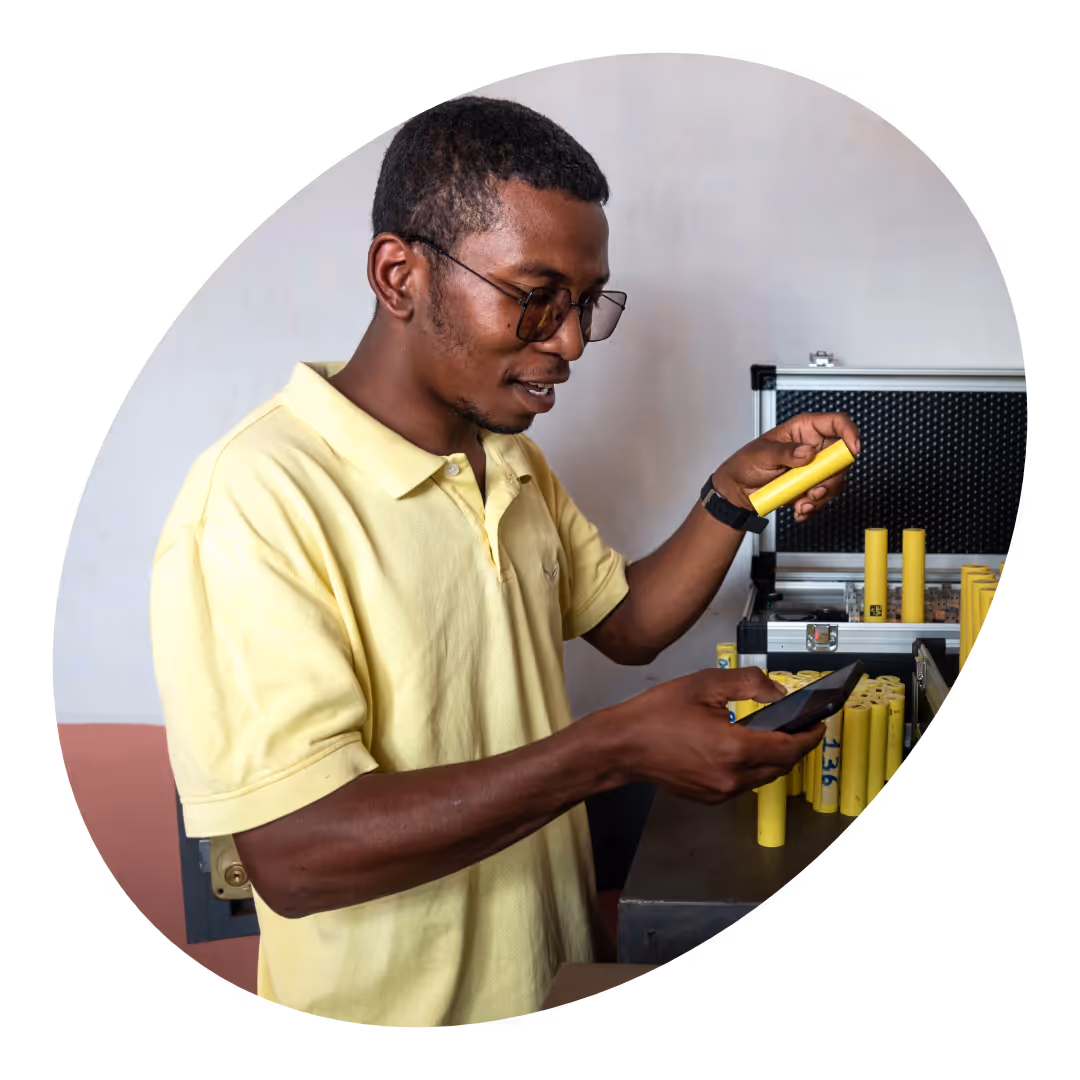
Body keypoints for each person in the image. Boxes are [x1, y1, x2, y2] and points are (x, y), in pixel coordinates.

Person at [150, 96, 861, 1027]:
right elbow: (297, 856)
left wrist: (731, 494)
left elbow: (629, 624)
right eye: (535, 297)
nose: (569, 342)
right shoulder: (257, 499)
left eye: (587, 303)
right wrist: (609, 751)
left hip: (553, 976)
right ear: (399, 275)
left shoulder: (512, 461)